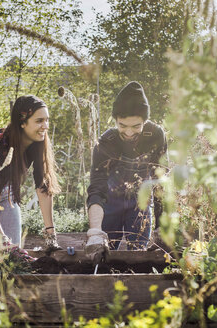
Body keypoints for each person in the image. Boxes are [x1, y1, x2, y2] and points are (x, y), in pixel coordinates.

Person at [0, 95, 62, 253]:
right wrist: (0, 239)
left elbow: (43, 187)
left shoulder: (38, 143)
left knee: (13, 253)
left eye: (47, 120)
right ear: (22, 123)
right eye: (39, 121)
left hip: (5, 190)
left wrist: (51, 236)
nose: (45, 126)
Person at [85, 81, 167, 262]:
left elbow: (160, 181)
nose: (129, 133)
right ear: (115, 120)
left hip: (140, 204)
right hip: (109, 204)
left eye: (136, 126)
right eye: (122, 126)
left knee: (139, 259)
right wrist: (95, 232)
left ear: (145, 121)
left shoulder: (155, 136)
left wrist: (162, 226)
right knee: (101, 258)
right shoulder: (106, 142)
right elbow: (96, 188)